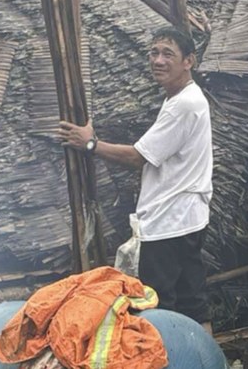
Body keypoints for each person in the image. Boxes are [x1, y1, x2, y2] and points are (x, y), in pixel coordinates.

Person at [58, 27, 213, 333]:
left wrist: (90, 144)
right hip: (187, 218)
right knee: (193, 301)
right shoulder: (183, 98)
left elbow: (137, 157)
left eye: (168, 54)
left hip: (169, 221)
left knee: (158, 305)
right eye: (153, 53)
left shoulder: (184, 105)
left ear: (189, 61)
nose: (158, 60)